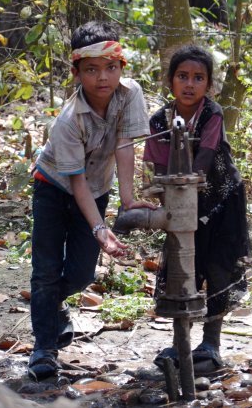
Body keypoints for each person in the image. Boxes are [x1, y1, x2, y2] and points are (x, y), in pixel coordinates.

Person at [28, 21, 156, 380]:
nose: (103, 77)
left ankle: (50, 306)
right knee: (46, 270)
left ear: (121, 68)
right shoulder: (68, 121)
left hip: (97, 189)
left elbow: (126, 145)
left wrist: (128, 198)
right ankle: (44, 349)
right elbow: (76, 180)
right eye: (92, 70)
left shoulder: (130, 94)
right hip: (53, 188)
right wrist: (101, 229)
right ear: (77, 73)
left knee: (82, 274)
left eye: (111, 68)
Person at [142, 45, 251, 371]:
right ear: (171, 81)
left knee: (217, 268)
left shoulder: (211, 114)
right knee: (183, 270)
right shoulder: (159, 120)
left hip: (220, 201)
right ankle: (180, 344)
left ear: (208, 85)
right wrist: (170, 203)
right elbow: (157, 165)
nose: (190, 84)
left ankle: (211, 345)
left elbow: (205, 155)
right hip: (179, 203)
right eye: (183, 77)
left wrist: (187, 184)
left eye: (198, 78)